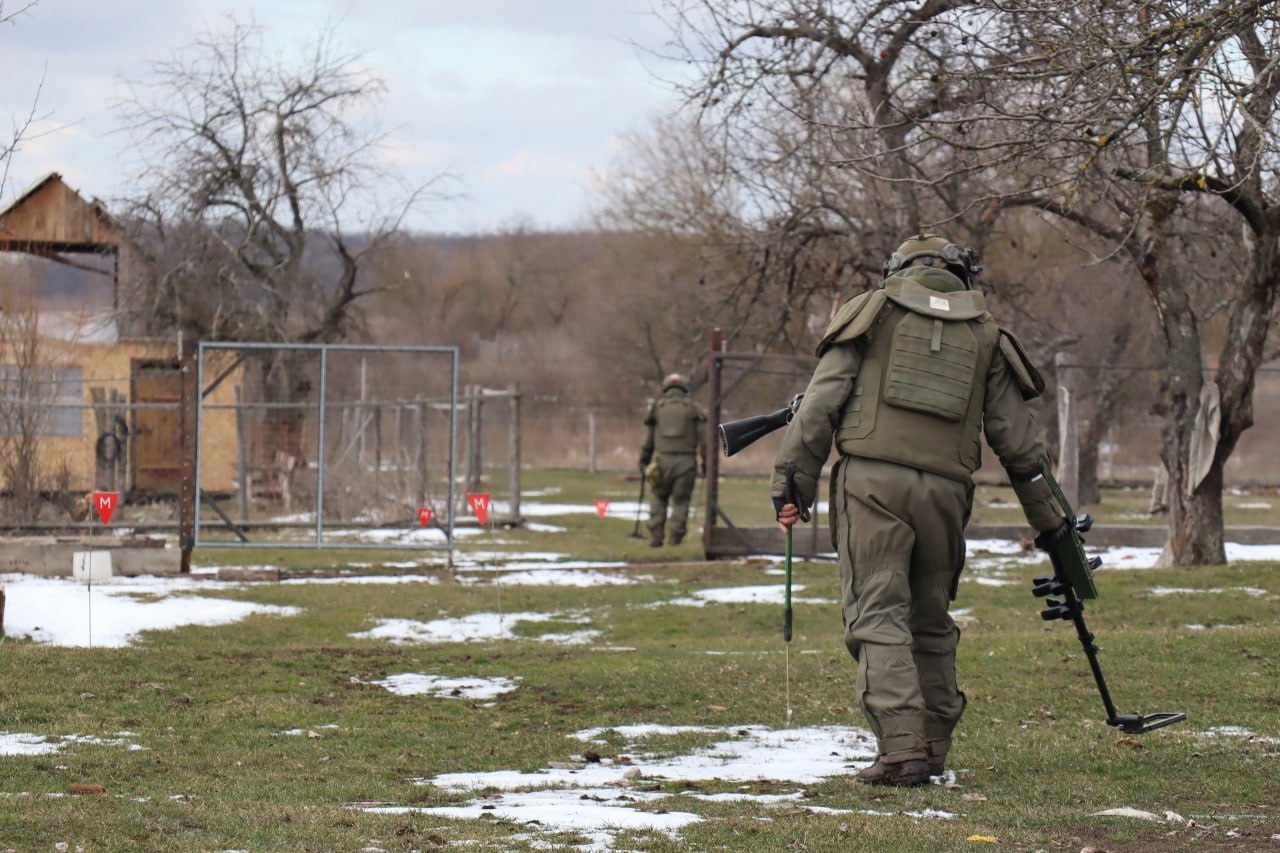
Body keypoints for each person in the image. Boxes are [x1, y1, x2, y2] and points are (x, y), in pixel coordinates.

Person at [771, 234, 1066, 787]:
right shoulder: (988, 336)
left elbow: (819, 406)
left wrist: (792, 487)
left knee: (878, 615)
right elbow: (1021, 448)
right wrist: (1051, 524)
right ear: (962, 276)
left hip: (871, 488)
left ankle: (901, 750)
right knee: (930, 619)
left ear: (896, 269)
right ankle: (931, 749)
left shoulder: (868, 314)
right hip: (947, 495)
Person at [639, 372, 707, 547]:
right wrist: (706, 462)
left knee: (658, 497)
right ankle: (675, 537)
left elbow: (649, 439)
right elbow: (704, 440)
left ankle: (656, 535)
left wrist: (644, 459)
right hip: (686, 463)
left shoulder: (658, 408)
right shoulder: (693, 408)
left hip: (661, 461)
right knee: (681, 501)